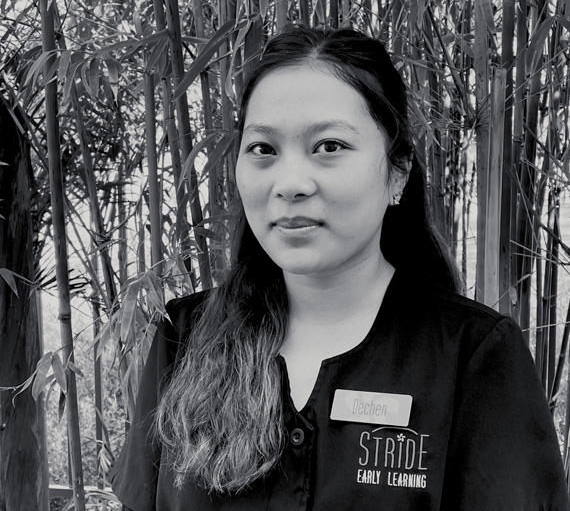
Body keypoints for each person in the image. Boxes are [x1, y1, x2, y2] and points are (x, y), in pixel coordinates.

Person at [110, 25, 569, 510]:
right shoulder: (184, 338)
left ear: (398, 172)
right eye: (263, 149)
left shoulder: (474, 357)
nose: (290, 183)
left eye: (329, 146)